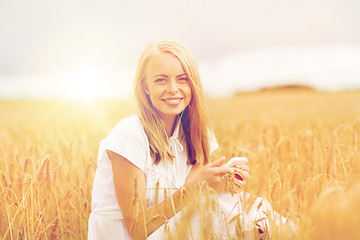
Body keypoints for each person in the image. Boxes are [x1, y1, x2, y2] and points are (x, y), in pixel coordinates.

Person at [88, 40, 293, 240]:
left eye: (182, 79)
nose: (173, 88)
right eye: (161, 80)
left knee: (245, 207)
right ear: (145, 86)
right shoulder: (130, 135)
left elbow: (193, 190)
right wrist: (196, 186)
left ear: (193, 84)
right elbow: (137, 230)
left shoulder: (195, 133)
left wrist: (223, 181)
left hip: (172, 229)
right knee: (216, 214)